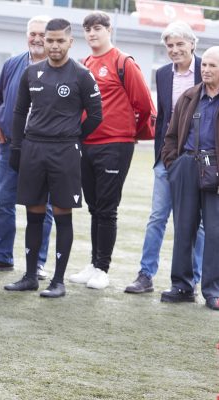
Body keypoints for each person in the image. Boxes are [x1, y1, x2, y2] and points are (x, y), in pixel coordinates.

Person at [4, 18, 102, 298]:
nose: (54, 45)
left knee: (62, 215)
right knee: (33, 215)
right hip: (34, 150)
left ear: (70, 42)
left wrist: (73, 137)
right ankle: (29, 276)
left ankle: (58, 281)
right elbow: (19, 112)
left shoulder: (82, 75)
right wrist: (17, 148)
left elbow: (96, 115)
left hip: (65, 152)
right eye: (50, 40)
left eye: (60, 40)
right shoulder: (31, 73)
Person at [69, 12, 155, 290]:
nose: (92, 33)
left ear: (109, 30)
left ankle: (103, 269)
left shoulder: (123, 62)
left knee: (107, 208)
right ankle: (94, 263)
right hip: (87, 144)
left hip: (114, 145)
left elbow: (144, 105)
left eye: (97, 28)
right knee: (94, 207)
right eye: (87, 29)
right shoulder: (84, 63)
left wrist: (127, 133)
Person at [126, 21, 204, 294]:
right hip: (167, 158)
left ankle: (193, 279)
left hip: (198, 158)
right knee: (157, 217)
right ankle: (145, 275)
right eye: (170, 45)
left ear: (192, 44)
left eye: (180, 44)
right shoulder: (161, 74)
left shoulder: (207, 68)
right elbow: (163, 118)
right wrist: (162, 154)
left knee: (197, 223)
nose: (175, 49)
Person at [0, 16, 54, 279]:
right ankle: (3, 257)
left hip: (44, 149)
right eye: (33, 33)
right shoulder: (12, 64)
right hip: (10, 146)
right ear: (26, 35)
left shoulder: (61, 68)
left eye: (42, 34)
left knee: (43, 207)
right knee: (3, 203)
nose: (37, 38)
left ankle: (38, 263)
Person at [160, 46, 219, 311]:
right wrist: (173, 165)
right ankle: (182, 286)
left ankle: (213, 291)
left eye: (212, 66)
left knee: (215, 232)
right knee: (183, 229)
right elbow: (171, 135)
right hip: (186, 166)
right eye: (204, 65)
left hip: (215, 168)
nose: (206, 70)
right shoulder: (189, 96)